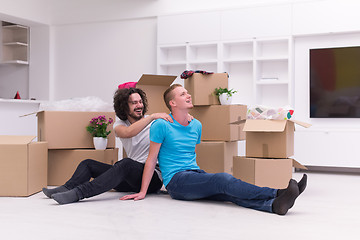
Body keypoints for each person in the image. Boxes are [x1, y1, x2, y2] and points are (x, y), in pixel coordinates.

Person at [121, 84, 307, 215]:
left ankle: (274, 206)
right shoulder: (161, 125)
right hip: (176, 182)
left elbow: (190, 155)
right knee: (223, 179)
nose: (188, 95)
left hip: (193, 174)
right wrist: (143, 191)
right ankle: (277, 192)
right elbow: (152, 159)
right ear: (173, 103)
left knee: (228, 193)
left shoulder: (197, 125)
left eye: (187, 92)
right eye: (183, 94)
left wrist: (199, 176)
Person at [42, 87, 176, 204]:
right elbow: (129, 132)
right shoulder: (120, 125)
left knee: (125, 163)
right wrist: (152, 117)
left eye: (140, 102)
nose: (139, 105)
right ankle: (67, 187)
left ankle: (78, 193)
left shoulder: (154, 122)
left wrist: (186, 118)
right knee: (88, 164)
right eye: (134, 103)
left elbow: (176, 125)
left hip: (153, 178)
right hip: (131, 177)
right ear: (124, 106)